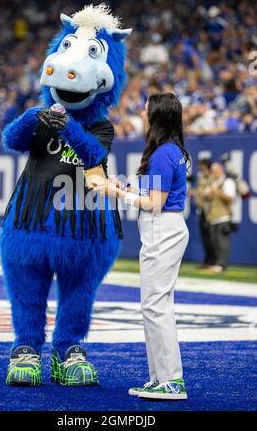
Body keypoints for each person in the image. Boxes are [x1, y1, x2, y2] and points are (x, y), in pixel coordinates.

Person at [93, 92, 190, 400]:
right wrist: (123, 185)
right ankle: (159, 377)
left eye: (146, 109)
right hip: (164, 230)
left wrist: (116, 193)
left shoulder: (163, 153)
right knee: (154, 306)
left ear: (156, 115)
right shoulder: (170, 150)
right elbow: (152, 190)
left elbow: (155, 203)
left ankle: (172, 380)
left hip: (162, 229)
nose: (142, 113)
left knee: (156, 307)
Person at [203, 162, 236, 273]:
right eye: (213, 171)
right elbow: (204, 195)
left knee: (222, 242)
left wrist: (216, 190)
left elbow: (230, 198)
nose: (214, 173)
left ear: (221, 171)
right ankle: (217, 262)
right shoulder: (212, 182)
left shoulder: (228, 182)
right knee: (214, 242)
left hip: (223, 216)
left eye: (216, 171)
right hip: (212, 217)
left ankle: (222, 264)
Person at [189, 158, 216, 268]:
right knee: (205, 237)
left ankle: (214, 260)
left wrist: (196, 193)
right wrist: (194, 193)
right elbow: (200, 193)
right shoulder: (202, 178)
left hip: (211, 212)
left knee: (211, 237)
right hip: (202, 211)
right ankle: (208, 260)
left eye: (202, 166)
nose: (200, 168)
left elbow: (208, 194)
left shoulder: (212, 178)